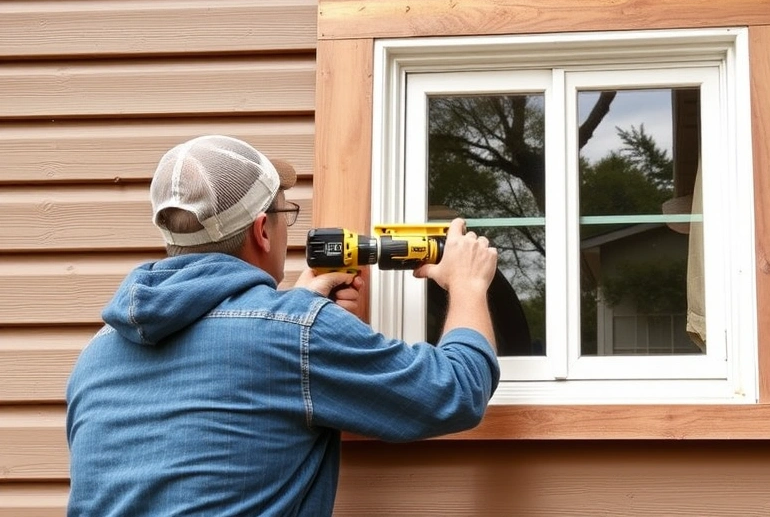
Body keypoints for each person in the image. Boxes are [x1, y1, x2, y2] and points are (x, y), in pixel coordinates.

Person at [65, 135, 500, 516]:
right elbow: (456, 389)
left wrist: (293, 309)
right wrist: (467, 284)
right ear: (262, 231)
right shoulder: (295, 335)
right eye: (283, 212)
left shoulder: (96, 355)